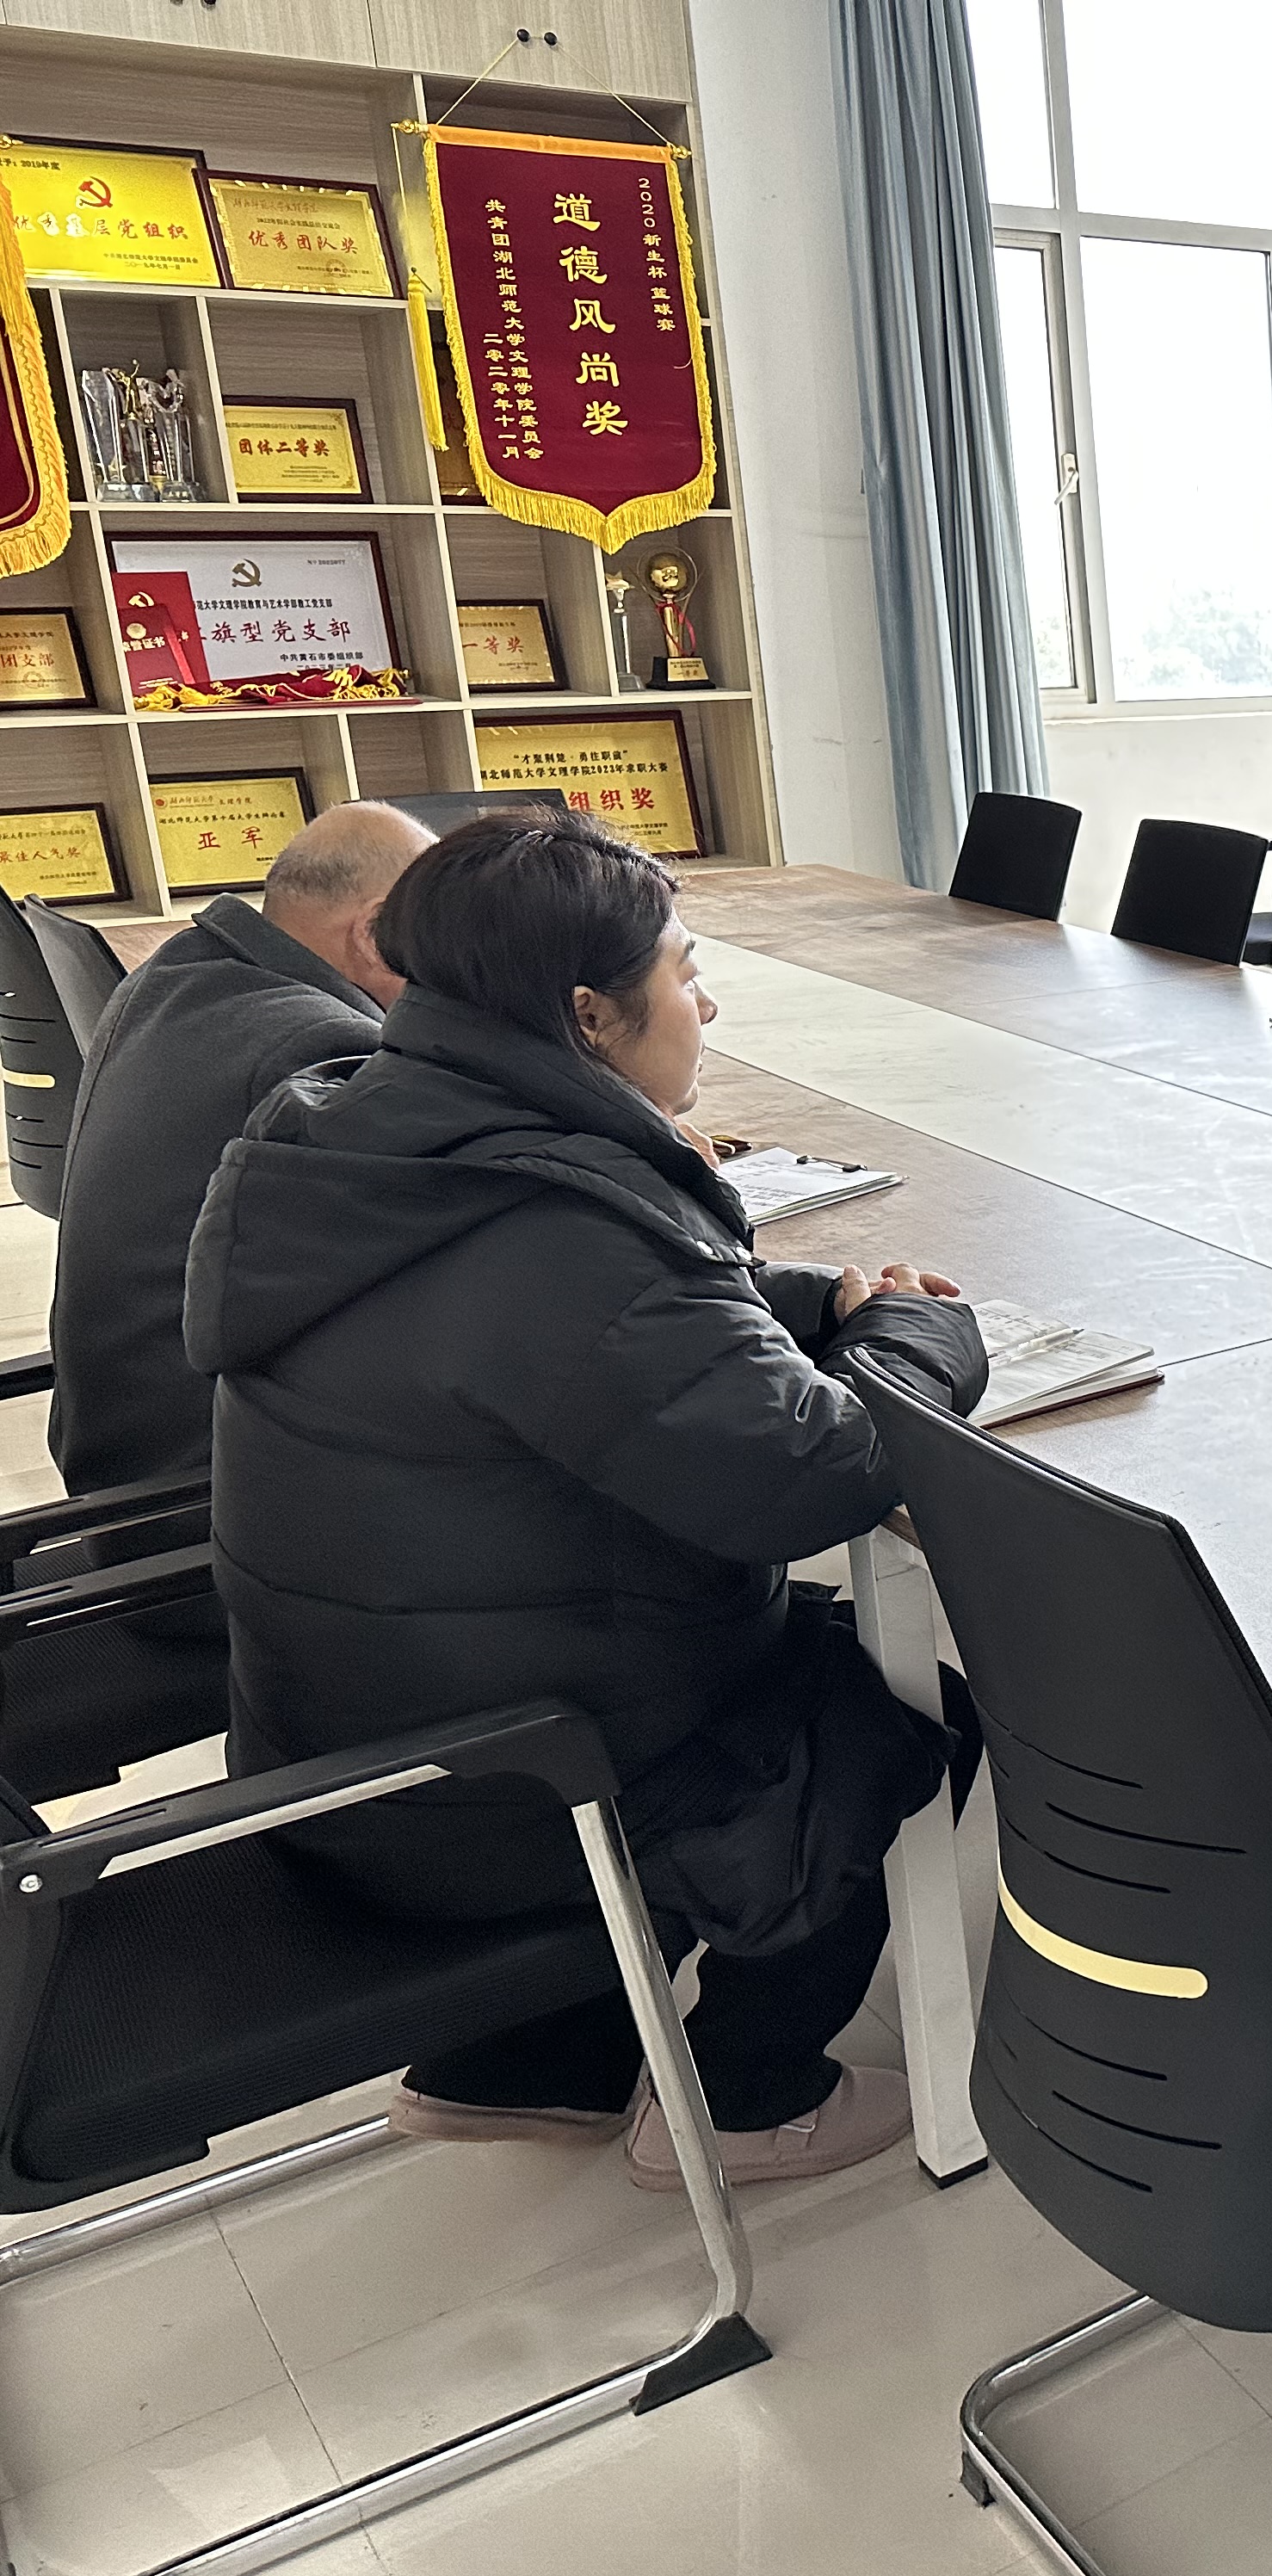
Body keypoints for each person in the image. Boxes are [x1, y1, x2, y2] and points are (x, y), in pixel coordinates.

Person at [184, 812, 991, 2185]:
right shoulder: (552, 1229)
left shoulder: (350, 1136)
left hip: (341, 1753)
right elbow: (813, 1478)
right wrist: (920, 1340)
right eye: (684, 972)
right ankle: (745, 2106)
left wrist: (812, 1309)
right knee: (900, 1705)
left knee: (794, 1641)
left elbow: (590, 1338)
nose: (705, 1003)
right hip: (506, 1801)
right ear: (587, 1016)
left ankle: (526, 2060)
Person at [48, 800, 434, 1492]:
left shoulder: (174, 976)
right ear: (376, 935)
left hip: (116, 1439)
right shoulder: (322, 1046)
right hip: (205, 1492)